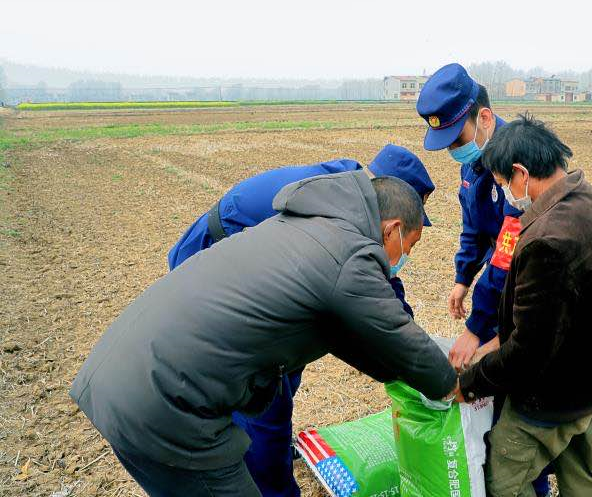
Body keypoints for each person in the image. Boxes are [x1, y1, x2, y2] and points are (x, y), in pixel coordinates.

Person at [70, 172, 457, 497]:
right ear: (392, 229)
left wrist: (398, 374)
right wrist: (453, 383)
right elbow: (396, 335)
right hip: (165, 406)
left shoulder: (310, 227)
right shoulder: (348, 255)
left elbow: (354, 339)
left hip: (122, 377)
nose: (406, 256)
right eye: (410, 245)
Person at [166, 144, 435, 496]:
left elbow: (379, 277)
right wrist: (409, 352)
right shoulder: (336, 208)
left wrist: (408, 333)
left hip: (254, 269)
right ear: (388, 195)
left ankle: (262, 448)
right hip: (211, 254)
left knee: (280, 379)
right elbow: (354, 288)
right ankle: (269, 478)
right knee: (268, 388)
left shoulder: (353, 193)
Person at [458, 114, 592, 497]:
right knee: (582, 473)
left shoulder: (547, 242)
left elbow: (528, 353)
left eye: (503, 184)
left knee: (504, 480)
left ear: (521, 174)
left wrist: (469, 384)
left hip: (555, 399)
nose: (506, 194)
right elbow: (559, 316)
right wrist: (492, 344)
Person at [417, 63, 553, 496]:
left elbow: (506, 255)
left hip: (522, 282)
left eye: (457, 139)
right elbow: (474, 227)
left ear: (485, 118)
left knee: (516, 380)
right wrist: (462, 277)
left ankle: (529, 476)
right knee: (494, 378)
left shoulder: (517, 166)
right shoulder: (473, 163)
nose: (455, 151)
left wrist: (477, 328)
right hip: (500, 278)